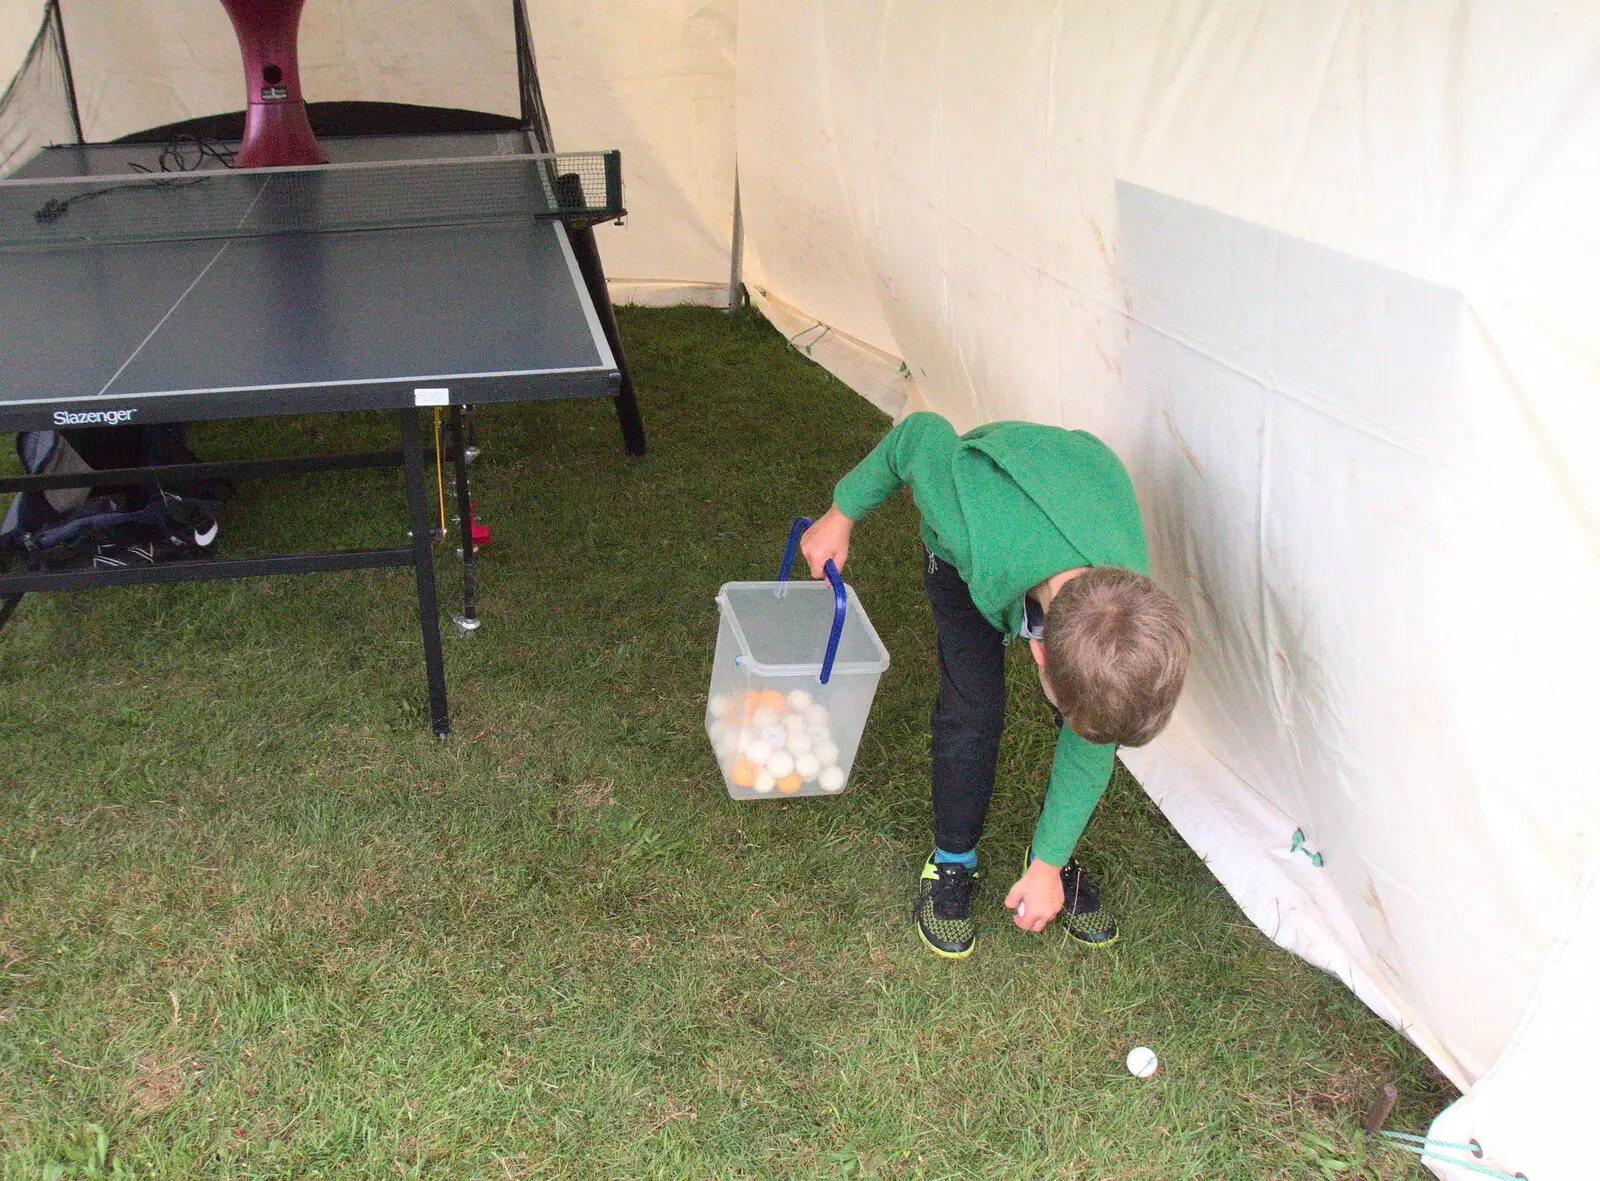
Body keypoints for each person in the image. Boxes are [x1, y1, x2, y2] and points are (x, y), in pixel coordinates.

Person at [800, 411, 1190, 958]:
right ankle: (952, 859)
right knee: (973, 708)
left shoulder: (1129, 602)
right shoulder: (965, 515)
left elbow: (1091, 743)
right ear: (1037, 651)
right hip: (972, 543)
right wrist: (842, 512)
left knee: (1087, 711)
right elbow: (922, 434)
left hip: (1073, 482)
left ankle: (1046, 860)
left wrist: (1048, 865)